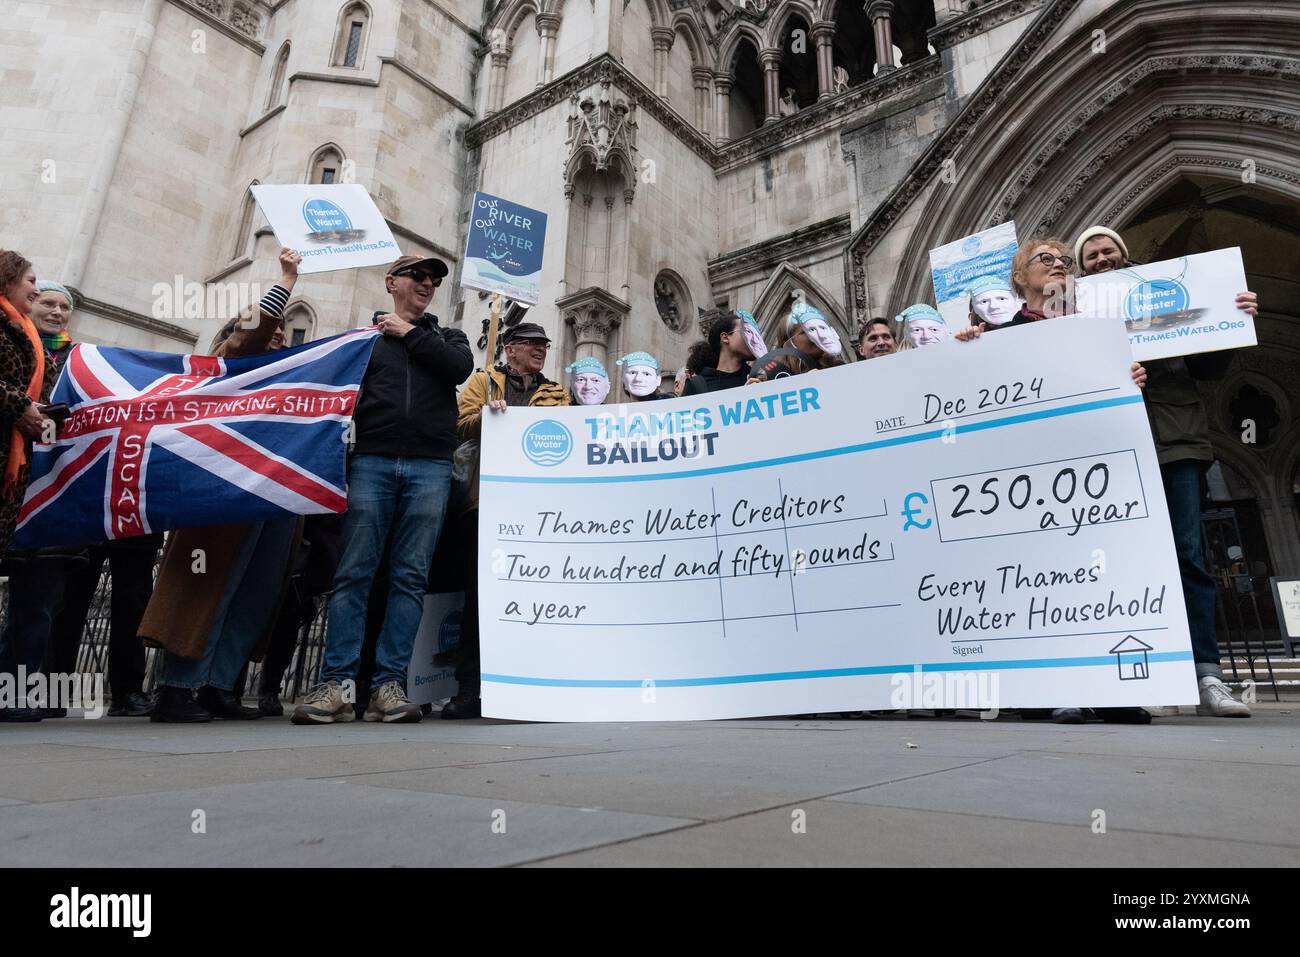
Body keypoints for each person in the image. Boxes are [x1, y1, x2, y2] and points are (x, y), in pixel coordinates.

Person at [1075, 224, 1255, 717]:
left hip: (1176, 445)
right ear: (1082, 266)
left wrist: (1232, 319)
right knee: (1127, 565)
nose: (1101, 258)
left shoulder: (1167, 296)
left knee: (1190, 558)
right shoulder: (1077, 312)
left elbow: (1210, 367)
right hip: (1112, 452)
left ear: (1123, 253)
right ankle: (1149, 674)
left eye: (1107, 249)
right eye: (1090, 255)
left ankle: (1207, 677)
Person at [293, 255, 473, 725]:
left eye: (434, 280)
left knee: (410, 577)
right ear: (391, 282)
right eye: (419, 276)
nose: (428, 284)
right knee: (354, 573)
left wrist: (408, 332)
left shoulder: (446, 336)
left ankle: (388, 686)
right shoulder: (364, 341)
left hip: (431, 466)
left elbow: (458, 368)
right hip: (372, 460)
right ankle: (337, 683)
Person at [142, 248, 302, 723]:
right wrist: (286, 282)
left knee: (256, 588)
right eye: (271, 331)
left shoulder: (294, 375)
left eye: (282, 335)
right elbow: (248, 335)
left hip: (276, 494)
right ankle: (177, 687)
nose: (277, 339)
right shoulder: (230, 363)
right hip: (223, 490)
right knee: (207, 584)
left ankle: (217, 685)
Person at [442, 320, 570, 719]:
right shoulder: (483, 382)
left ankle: (523, 685)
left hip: (534, 511)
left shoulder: (557, 394)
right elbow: (458, 425)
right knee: (478, 599)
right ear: (509, 348)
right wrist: (487, 415)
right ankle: (469, 689)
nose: (540, 350)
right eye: (531, 343)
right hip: (484, 505)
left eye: (544, 345)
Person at [0, 250, 56, 721]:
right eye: (31, 280)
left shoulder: (32, 337)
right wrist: (16, 404)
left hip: (13, 471)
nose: (36, 290)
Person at [683, 311, 755, 395]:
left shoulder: (758, 378)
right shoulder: (696, 386)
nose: (753, 338)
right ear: (725, 338)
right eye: (747, 331)